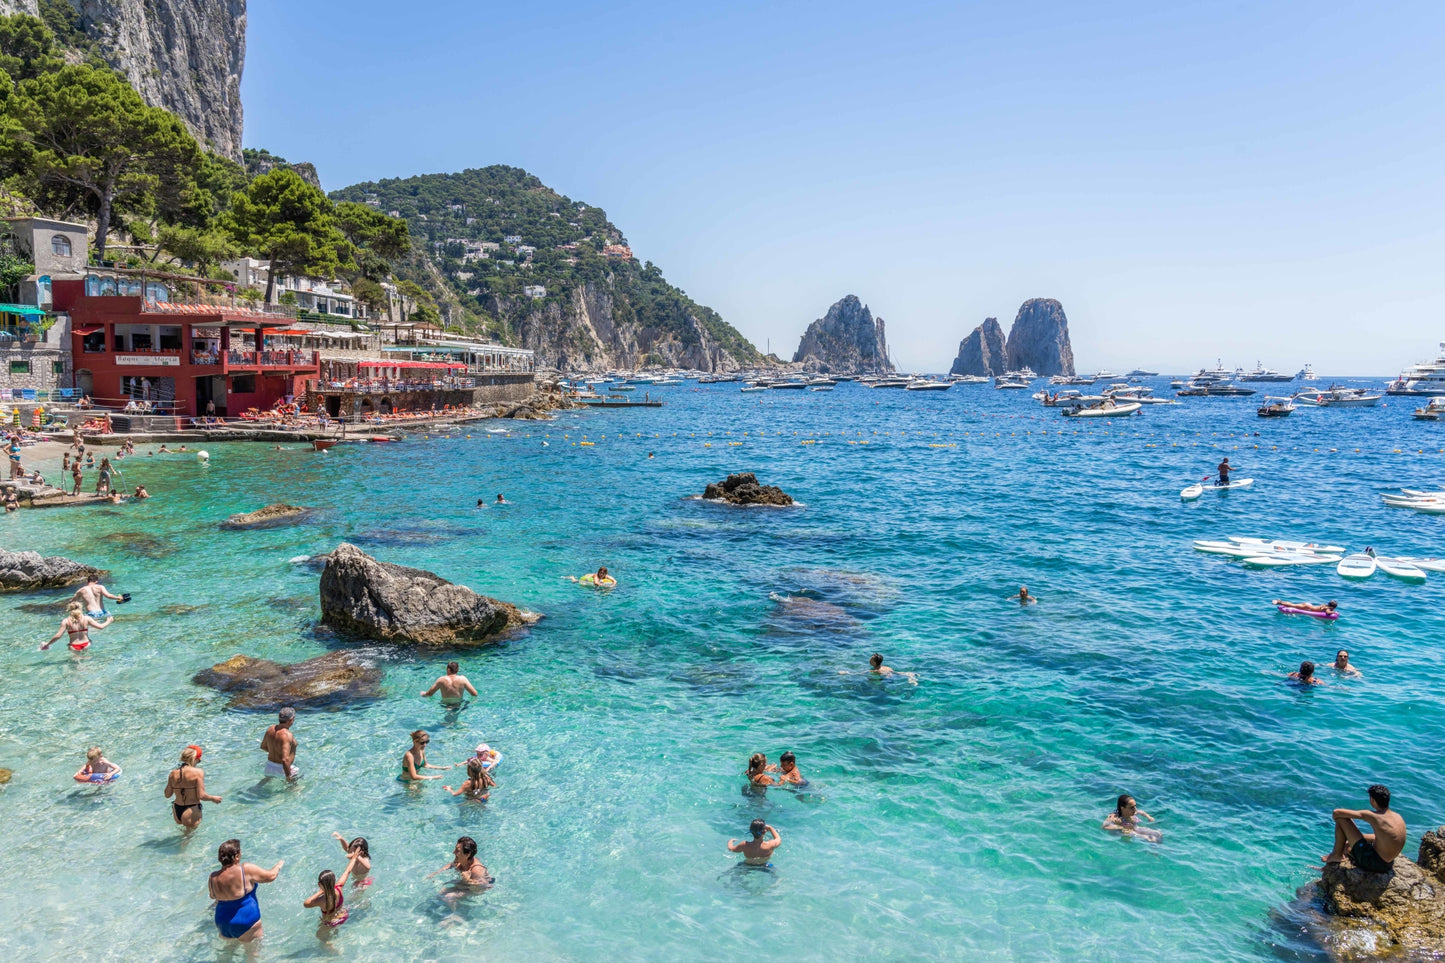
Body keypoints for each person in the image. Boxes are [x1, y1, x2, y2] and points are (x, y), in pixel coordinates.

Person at [208, 839, 283, 944]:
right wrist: (278, 865)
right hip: (246, 921)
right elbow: (271, 876)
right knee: (253, 953)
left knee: (227, 952)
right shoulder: (245, 869)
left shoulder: (213, 877)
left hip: (222, 922)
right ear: (236, 856)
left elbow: (213, 896)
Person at [1322, 784, 1406, 872]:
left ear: (1372, 800)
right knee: (1348, 846)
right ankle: (1339, 854)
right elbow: (1385, 837)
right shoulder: (1397, 817)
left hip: (1375, 864)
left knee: (1341, 819)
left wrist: (1345, 837)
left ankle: (1336, 855)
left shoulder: (1374, 816)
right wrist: (1350, 841)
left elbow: (1336, 813)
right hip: (1388, 863)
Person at [165, 745, 220, 828]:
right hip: (191, 809)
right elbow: (201, 795)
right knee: (190, 835)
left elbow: (167, 794)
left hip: (176, 809)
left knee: (183, 833)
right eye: (198, 761)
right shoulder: (198, 772)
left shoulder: (173, 773)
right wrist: (213, 798)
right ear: (195, 759)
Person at [42, 601, 110, 651]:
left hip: (73, 646)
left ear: (70, 609)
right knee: (87, 662)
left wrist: (47, 644)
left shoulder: (66, 621)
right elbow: (101, 627)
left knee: (75, 664)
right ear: (80, 608)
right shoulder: (86, 618)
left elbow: (58, 636)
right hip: (86, 644)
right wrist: (109, 621)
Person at [260, 707, 299, 780]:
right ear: (290, 719)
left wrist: (275, 752)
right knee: (297, 785)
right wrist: (288, 776)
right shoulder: (287, 735)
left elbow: (263, 746)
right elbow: (285, 760)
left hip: (269, 766)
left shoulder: (270, 729)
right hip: (283, 769)